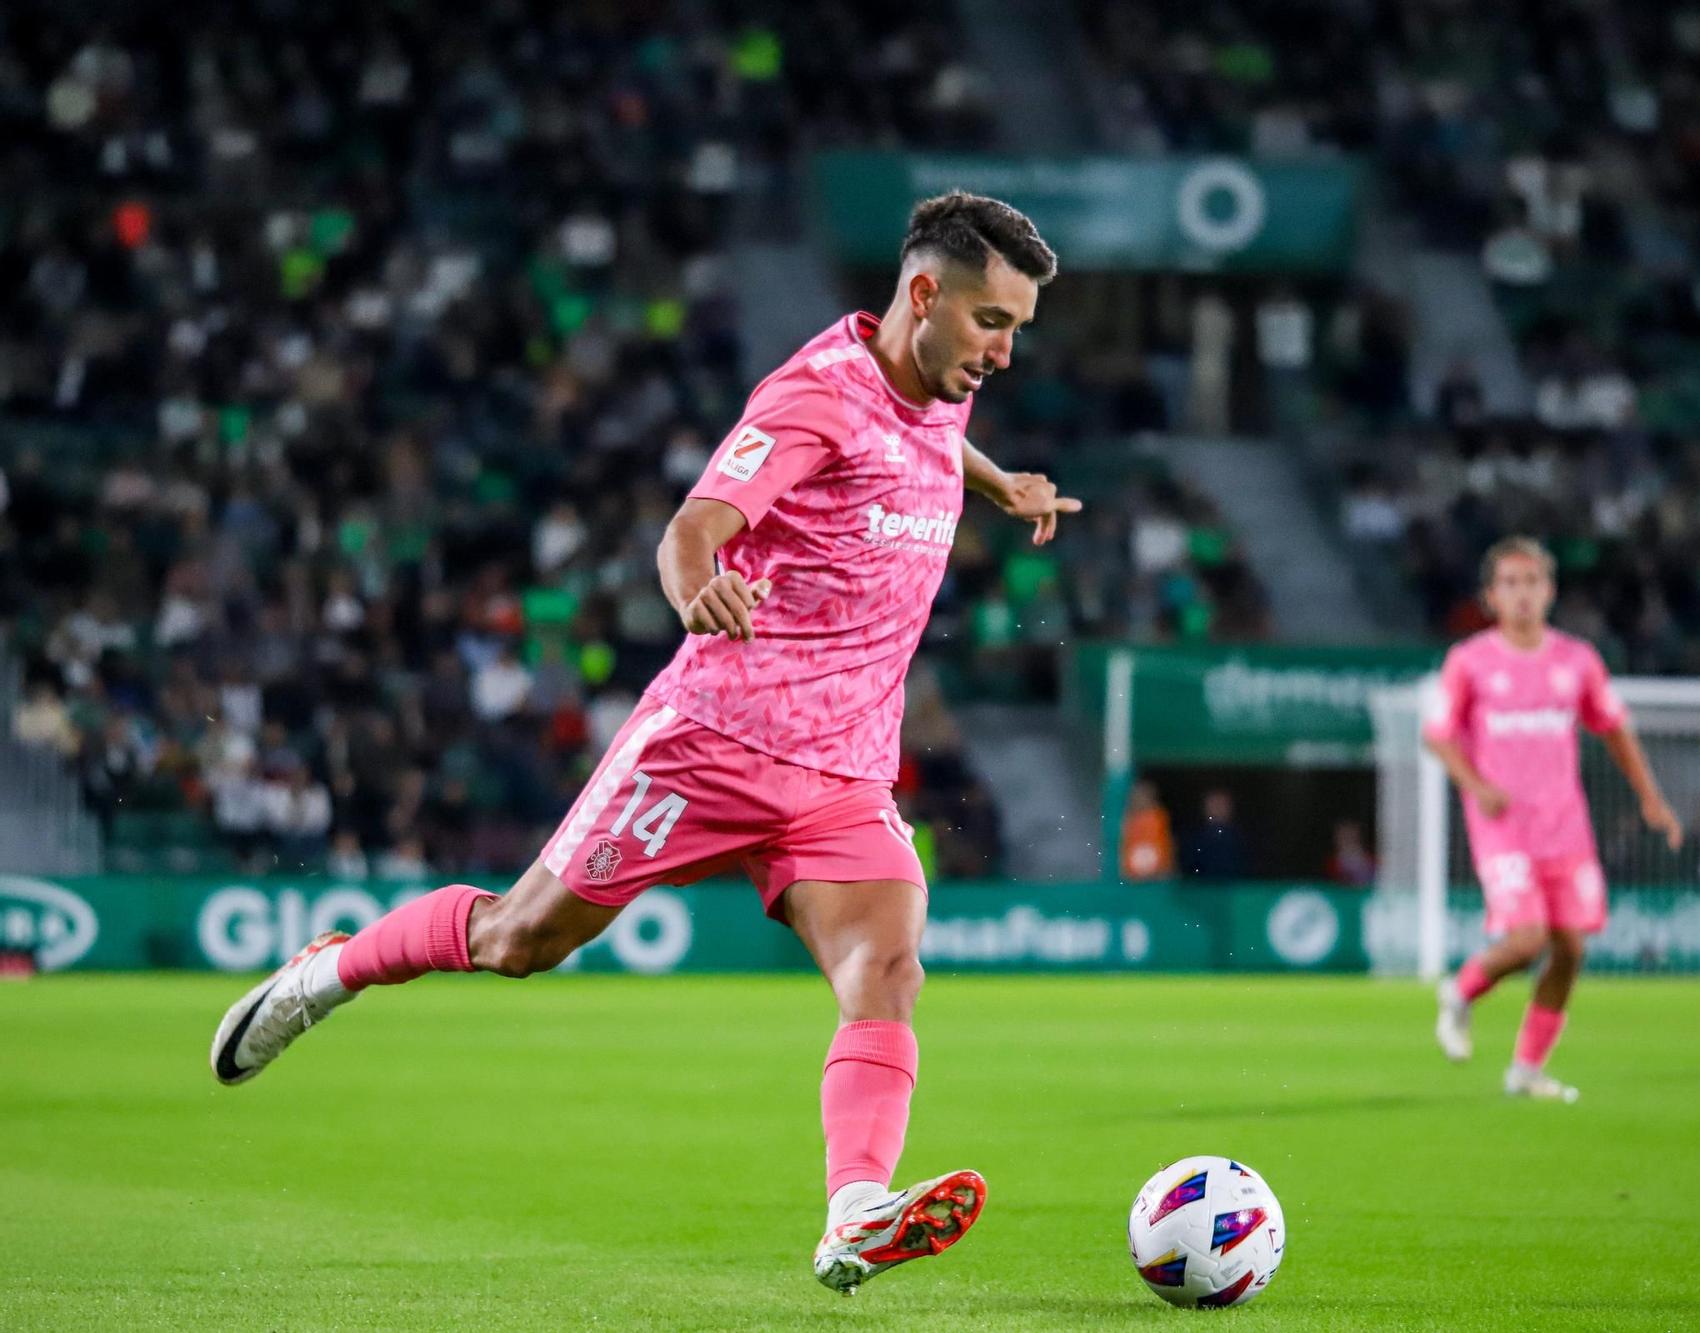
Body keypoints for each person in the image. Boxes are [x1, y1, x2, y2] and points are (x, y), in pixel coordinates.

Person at [208, 192, 1078, 1294]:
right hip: (710, 743)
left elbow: (926, 439)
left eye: (1015, 329)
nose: (1003, 351)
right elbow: (694, 526)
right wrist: (694, 589)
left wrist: (997, 481)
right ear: (923, 296)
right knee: (519, 939)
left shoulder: (936, 384)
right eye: (993, 322)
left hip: (844, 766)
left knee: (886, 966)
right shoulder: (814, 396)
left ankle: (856, 1208)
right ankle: (325, 972)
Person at [1425, 536, 1682, 1100]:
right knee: (1526, 940)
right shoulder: (1470, 662)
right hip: (1502, 825)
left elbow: (1615, 728)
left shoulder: (1577, 660)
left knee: (1570, 948)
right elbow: (1438, 735)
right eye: (1510, 583)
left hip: (1565, 826)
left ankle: (1526, 1070)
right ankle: (1461, 991)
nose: (1522, 594)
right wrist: (1476, 786)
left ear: (1550, 590)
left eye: (1533, 582)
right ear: (1491, 595)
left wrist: (1650, 797)